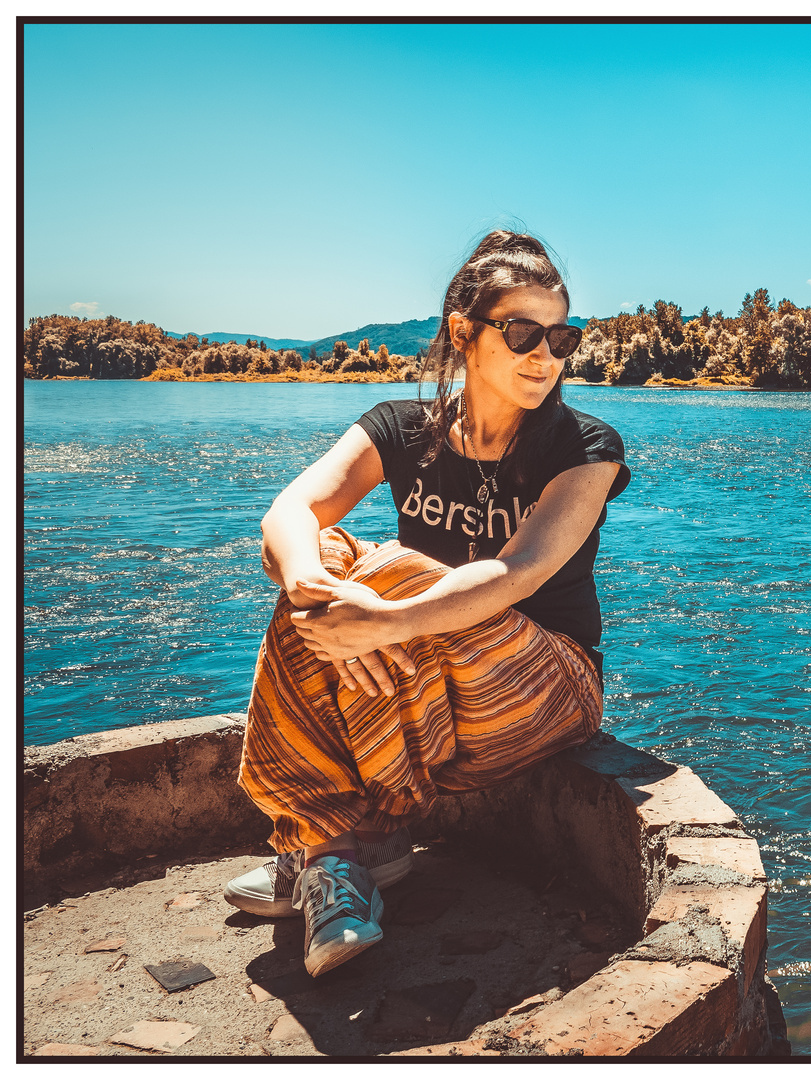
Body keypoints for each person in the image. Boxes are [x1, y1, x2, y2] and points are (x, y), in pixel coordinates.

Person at [224, 231, 629, 978]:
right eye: (522, 333)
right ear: (462, 333)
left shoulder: (586, 449)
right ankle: (337, 854)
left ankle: (335, 847)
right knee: (321, 560)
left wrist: (381, 621)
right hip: (423, 679)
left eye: (562, 337)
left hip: (548, 688)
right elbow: (287, 515)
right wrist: (315, 589)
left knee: (391, 573)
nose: (546, 355)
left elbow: (518, 575)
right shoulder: (401, 429)